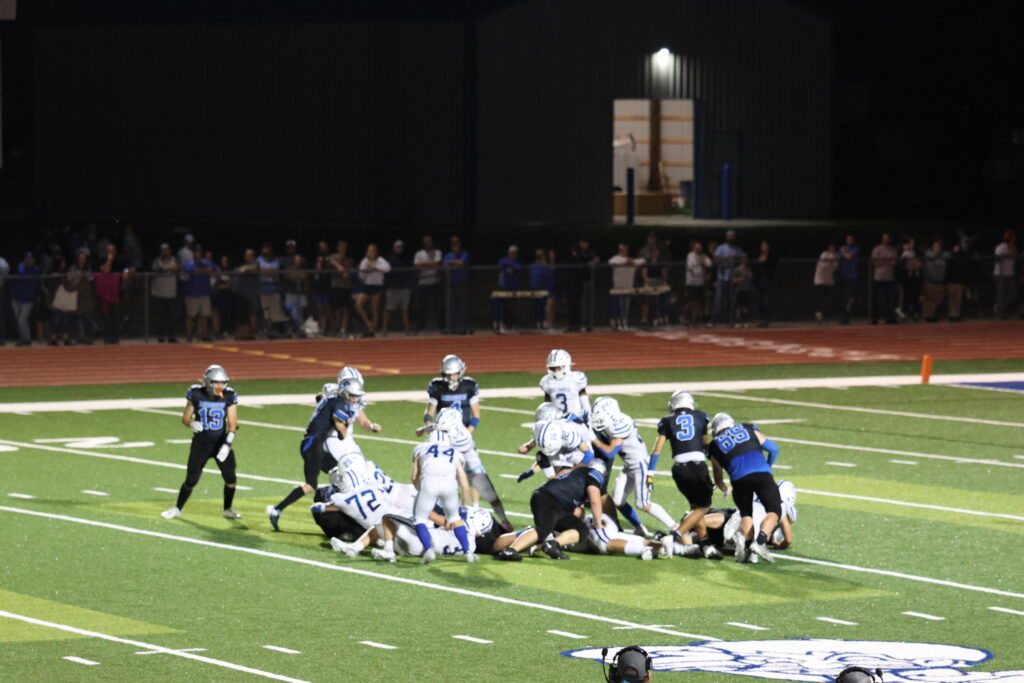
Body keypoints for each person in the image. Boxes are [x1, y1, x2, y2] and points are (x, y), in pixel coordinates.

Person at [266, 379, 366, 530]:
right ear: (345, 393)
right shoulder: (338, 404)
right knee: (311, 485)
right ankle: (277, 510)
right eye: (352, 395)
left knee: (338, 473)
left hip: (314, 443)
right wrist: (348, 420)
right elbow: (342, 434)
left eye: (356, 396)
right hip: (313, 445)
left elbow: (321, 399)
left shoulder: (332, 400)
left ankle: (336, 507)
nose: (355, 399)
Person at [649, 390, 723, 558]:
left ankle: (705, 545)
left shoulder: (667, 421)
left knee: (695, 509)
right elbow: (705, 447)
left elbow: (657, 449)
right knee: (703, 507)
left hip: (679, 469)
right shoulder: (701, 417)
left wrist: (650, 472)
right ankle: (674, 536)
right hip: (697, 467)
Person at [161, 365, 241, 520]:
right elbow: (185, 418)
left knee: (231, 478)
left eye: (222, 382)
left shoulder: (228, 395)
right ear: (208, 382)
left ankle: (228, 509)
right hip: (201, 444)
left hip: (220, 443)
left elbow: (232, 424)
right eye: (216, 382)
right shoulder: (196, 394)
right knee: (191, 479)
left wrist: (227, 444)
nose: (220, 386)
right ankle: (177, 508)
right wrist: (191, 424)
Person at [590, 399, 679, 537]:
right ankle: (639, 527)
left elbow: (610, 452)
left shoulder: (621, 424)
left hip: (641, 465)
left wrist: (593, 439)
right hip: (629, 466)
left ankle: (676, 527)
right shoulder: (611, 421)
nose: (597, 420)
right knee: (617, 501)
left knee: (643, 503)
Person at [706, 412, 783, 563]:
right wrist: (767, 466)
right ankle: (759, 542)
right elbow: (773, 449)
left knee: (746, 514)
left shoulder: (714, 445)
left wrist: (724, 488)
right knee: (774, 510)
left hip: (738, 481)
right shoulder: (747, 428)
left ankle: (749, 552)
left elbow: (717, 475)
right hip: (761, 474)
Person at [407, 416, 475, 564]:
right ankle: (468, 552)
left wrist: (422, 491)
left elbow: (414, 476)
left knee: (419, 519)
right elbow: (463, 479)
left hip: (429, 481)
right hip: (449, 484)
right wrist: (465, 497)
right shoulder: (455, 452)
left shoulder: (420, 449)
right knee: (455, 518)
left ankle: (428, 551)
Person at [418, 354, 481, 436]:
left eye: (454, 374)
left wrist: (466, 434)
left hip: (463, 431)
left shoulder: (469, 386)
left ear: (460, 373)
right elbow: (429, 414)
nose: (451, 378)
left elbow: (476, 415)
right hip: (443, 433)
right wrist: (432, 432)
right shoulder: (437, 387)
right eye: (448, 375)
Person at [354, 243, 390, 337]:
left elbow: (387, 268)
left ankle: (372, 330)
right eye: (368, 251)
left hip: (377, 285)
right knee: (358, 304)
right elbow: (360, 274)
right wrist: (366, 268)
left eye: (371, 251)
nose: (369, 252)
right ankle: (368, 324)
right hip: (367, 285)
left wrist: (374, 266)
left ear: (375, 252)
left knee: (374, 309)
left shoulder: (380, 260)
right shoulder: (364, 261)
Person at [182, 248, 215, 342]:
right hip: (192, 293)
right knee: (190, 315)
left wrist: (199, 270)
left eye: (199, 252)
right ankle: (189, 334)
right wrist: (204, 270)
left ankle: (204, 334)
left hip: (205, 293)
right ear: (193, 254)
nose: (198, 254)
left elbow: (214, 268)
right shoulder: (188, 262)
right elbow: (189, 270)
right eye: (196, 252)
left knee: (204, 315)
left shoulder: (206, 262)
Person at [413, 235, 443, 333]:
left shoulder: (437, 252)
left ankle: (441, 327)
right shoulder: (419, 253)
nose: (428, 244)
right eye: (426, 242)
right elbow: (416, 265)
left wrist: (423, 264)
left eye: (429, 242)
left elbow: (437, 264)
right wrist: (430, 264)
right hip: (423, 282)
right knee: (422, 306)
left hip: (435, 282)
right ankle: (420, 327)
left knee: (438, 305)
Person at [382, 240, 412, 335]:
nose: (399, 248)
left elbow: (409, 272)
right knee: (388, 309)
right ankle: (384, 329)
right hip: (393, 288)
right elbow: (387, 272)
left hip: (404, 288)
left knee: (405, 309)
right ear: (394, 248)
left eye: (401, 247)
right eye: (398, 247)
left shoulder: (406, 258)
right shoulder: (390, 258)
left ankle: (407, 329)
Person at [712, 230, 742, 326]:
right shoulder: (721, 248)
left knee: (732, 300)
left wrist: (737, 258)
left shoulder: (737, 249)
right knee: (719, 299)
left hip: (732, 278)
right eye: (729, 236)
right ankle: (714, 320)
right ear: (726, 237)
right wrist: (728, 257)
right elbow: (716, 259)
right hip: (722, 278)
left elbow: (743, 258)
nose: (731, 238)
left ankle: (731, 320)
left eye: (732, 236)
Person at [10, 252, 41, 346]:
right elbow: (20, 272)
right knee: (19, 320)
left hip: (28, 299)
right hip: (16, 298)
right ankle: (22, 338)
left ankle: (27, 339)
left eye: (31, 259)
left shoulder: (36, 269)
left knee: (21, 320)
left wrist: (24, 265)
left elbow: (23, 274)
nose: (30, 261)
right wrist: (22, 264)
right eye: (28, 259)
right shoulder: (21, 266)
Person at [150, 243, 179, 343]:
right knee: (160, 317)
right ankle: (161, 337)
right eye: (163, 250)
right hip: (158, 294)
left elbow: (176, 267)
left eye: (167, 250)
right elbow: (155, 271)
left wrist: (165, 268)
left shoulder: (174, 259)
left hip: (171, 293)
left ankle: (171, 337)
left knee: (172, 317)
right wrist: (166, 268)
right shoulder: (156, 261)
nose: (165, 252)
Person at [444, 235, 471, 334]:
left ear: (459, 244)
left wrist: (451, 263)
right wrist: (454, 263)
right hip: (451, 283)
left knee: (463, 305)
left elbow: (461, 263)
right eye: (453, 243)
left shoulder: (465, 253)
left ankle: (463, 327)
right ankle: (453, 327)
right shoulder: (448, 255)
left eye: (456, 243)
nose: (455, 245)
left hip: (462, 283)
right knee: (452, 306)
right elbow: (445, 265)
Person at [869, 233, 898, 324]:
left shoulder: (893, 249)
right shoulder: (877, 249)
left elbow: (893, 263)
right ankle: (875, 318)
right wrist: (887, 260)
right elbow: (875, 262)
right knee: (878, 299)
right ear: (882, 239)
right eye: (885, 238)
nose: (886, 240)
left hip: (889, 278)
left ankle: (889, 318)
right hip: (878, 277)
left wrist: (882, 260)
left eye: (887, 238)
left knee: (890, 300)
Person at [492, 245, 522, 334]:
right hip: (504, 287)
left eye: (515, 253)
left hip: (513, 288)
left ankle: (513, 325)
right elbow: (501, 264)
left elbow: (519, 268)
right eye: (512, 252)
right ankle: (503, 325)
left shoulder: (518, 261)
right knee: (503, 307)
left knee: (513, 308)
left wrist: (511, 264)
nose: (513, 254)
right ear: (509, 253)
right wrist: (512, 264)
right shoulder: (504, 260)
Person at [328, 240, 354, 338]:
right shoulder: (333, 257)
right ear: (338, 247)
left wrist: (346, 273)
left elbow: (350, 271)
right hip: (336, 286)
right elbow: (328, 260)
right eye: (341, 247)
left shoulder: (349, 259)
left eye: (344, 247)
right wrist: (338, 266)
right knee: (336, 309)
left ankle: (343, 329)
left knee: (345, 309)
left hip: (346, 286)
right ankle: (336, 328)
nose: (343, 248)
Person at [922, 237, 950, 322]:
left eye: (938, 246)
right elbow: (931, 255)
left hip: (940, 280)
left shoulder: (945, 253)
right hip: (930, 280)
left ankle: (935, 314)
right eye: (935, 246)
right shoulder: (928, 253)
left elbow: (948, 255)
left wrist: (939, 254)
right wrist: (938, 255)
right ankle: (929, 316)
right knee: (930, 298)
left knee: (938, 298)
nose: (936, 248)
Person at [683, 241, 710, 327]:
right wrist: (701, 262)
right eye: (697, 247)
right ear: (693, 248)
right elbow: (691, 265)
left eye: (700, 247)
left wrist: (703, 262)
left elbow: (709, 263)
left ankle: (694, 320)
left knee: (698, 302)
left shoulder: (703, 255)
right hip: (691, 282)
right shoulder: (690, 255)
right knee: (691, 302)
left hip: (700, 282)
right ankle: (685, 317)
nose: (699, 249)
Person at [641, 247, 670, 327]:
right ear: (651, 253)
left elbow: (664, 274)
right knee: (650, 300)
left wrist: (662, 282)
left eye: (656, 252)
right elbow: (644, 275)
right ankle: (651, 318)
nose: (655, 253)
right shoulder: (647, 262)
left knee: (662, 299)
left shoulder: (661, 261)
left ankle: (662, 317)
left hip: (659, 281)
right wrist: (649, 282)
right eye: (653, 252)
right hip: (649, 281)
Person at [529, 248, 555, 331]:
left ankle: (548, 323)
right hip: (539, 290)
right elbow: (535, 280)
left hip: (547, 289)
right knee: (542, 307)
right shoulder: (535, 266)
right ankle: (542, 323)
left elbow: (550, 277)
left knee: (549, 305)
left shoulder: (546, 266)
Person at [993, 229, 1017, 319]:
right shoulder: (1001, 247)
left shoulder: (1014, 248)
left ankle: (998, 307)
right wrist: (1005, 256)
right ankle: (1000, 313)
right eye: (1013, 237)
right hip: (1000, 273)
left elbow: (1014, 260)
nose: (1014, 239)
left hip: (1010, 274)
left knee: (1013, 293)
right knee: (1001, 294)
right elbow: (997, 259)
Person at [898, 237, 923, 321]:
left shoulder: (916, 253)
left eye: (913, 243)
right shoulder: (904, 254)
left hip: (915, 277)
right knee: (906, 295)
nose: (912, 245)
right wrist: (914, 264)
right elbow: (908, 265)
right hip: (906, 278)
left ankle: (916, 312)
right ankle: (904, 312)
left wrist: (915, 263)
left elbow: (921, 265)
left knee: (916, 295)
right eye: (911, 243)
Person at [752, 240, 777, 327]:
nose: (763, 247)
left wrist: (765, 261)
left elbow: (773, 266)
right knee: (759, 302)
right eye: (762, 246)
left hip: (768, 282)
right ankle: (760, 320)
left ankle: (766, 319)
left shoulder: (771, 257)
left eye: (765, 246)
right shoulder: (758, 256)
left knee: (765, 302)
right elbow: (754, 267)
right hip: (759, 282)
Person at [813, 243, 839, 323]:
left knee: (830, 298)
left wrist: (835, 257)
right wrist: (835, 256)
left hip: (829, 281)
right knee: (820, 299)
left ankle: (825, 315)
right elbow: (825, 264)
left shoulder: (834, 257)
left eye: (834, 249)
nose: (833, 250)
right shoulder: (824, 254)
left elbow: (835, 267)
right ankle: (819, 315)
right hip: (820, 281)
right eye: (831, 248)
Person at [837, 234, 860, 325]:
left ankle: (847, 316)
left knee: (850, 297)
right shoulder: (844, 249)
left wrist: (843, 251)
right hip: (843, 277)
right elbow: (838, 257)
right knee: (843, 297)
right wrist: (843, 252)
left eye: (850, 239)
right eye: (847, 239)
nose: (849, 241)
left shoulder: (856, 249)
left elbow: (849, 257)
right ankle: (843, 316)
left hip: (852, 277)